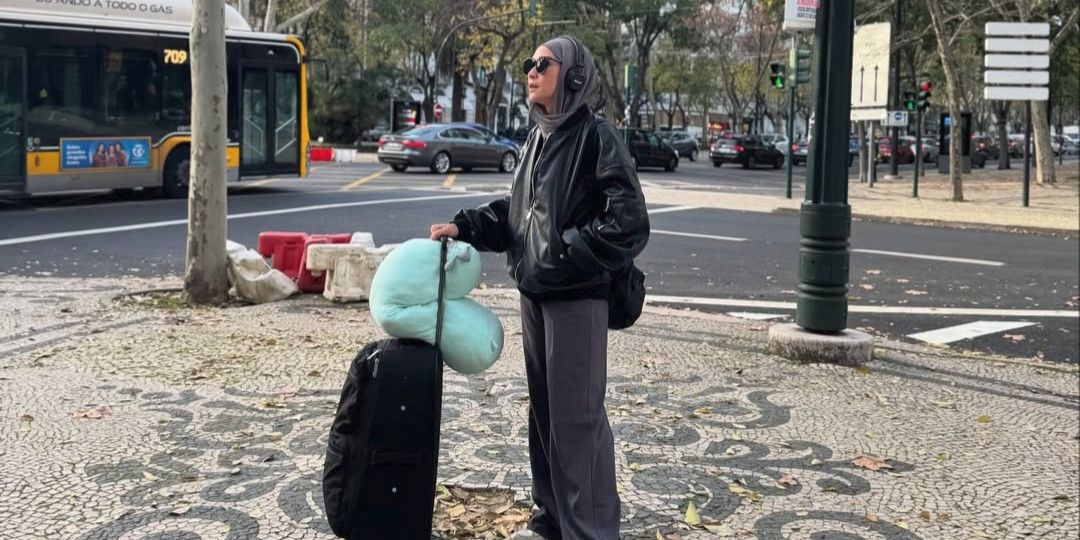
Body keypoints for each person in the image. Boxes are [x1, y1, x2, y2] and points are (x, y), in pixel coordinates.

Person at [430, 35, 649, 540]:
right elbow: (517, 215)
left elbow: (630, 222)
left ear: (573, 77)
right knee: (546, 416)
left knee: (578, 420)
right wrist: (464, 226)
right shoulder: (536, 139)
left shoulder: (597, 136)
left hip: (577, 298)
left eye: (543, 64)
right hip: (535, 295)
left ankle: (591, 531)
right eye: (529, 63)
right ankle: (551, 520)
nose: (530, 71)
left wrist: (569, 252)